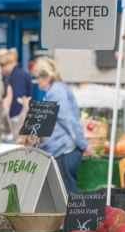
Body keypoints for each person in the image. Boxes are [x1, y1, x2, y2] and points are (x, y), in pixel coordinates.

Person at [32, 57, 95, 193]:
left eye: (38, 77)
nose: (37, 81)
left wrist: (84, 145)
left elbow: (69, 121)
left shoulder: (56, 91)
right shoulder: (53, 91)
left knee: (65, 195)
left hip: (64, 150)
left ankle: (70, 216)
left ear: (47, 76)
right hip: (59, 150)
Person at [0, 48, 33, 123]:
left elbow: (16, 98)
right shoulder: (21, 73)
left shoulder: (16, 76)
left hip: (16, 117)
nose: (3, 70)